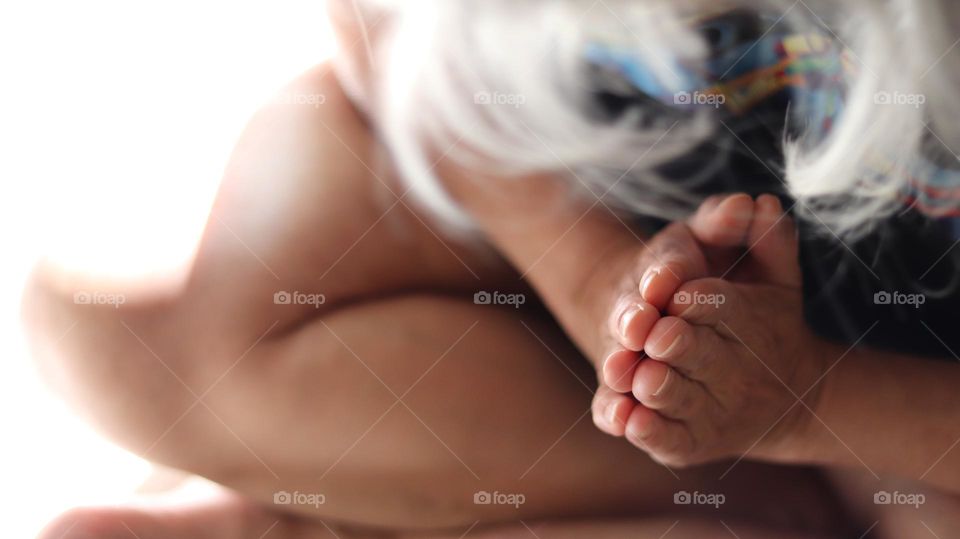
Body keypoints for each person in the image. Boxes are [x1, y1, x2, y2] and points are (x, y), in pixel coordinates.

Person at [25, 1, 960, 537]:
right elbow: (387, 33)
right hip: (565, 215)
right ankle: (738, 491)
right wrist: (599, 285)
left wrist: (811, 404)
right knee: (101, 317)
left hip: (902, 405)